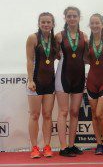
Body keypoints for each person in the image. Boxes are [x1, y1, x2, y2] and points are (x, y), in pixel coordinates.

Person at [55, 6, 88, 157]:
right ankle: (63, 148)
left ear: (79, 18)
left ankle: (71, 145)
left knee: (75, 112)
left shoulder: (84, 36)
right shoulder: (59, 36)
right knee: (63, 111)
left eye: (75, 16)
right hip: (63, 77)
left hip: (79, 77)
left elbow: (87, 58)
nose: (72, 18)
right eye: (69, 16)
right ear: (65, 18)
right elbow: (54, 55)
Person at [26, 12, 57, 158]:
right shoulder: (33, 38)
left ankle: (47, 146)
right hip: (36, 83)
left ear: (52, 24)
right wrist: (30, 79)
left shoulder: (54, 40)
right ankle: (34, 148)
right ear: (39, 23)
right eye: (43, 22)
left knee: (47, 115)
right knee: (34, 115)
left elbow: (60, 56)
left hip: (50, 82)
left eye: (48, 22)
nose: (46, 24)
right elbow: (30, 60)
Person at [86, 13, 103, 155]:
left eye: (97, 23)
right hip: (91, 81)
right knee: (94, 116)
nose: (95, 26)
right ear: (90, 25)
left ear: (102, 24)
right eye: (92, 23)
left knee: (100, 114)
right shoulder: (86, 41)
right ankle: (99, 144)